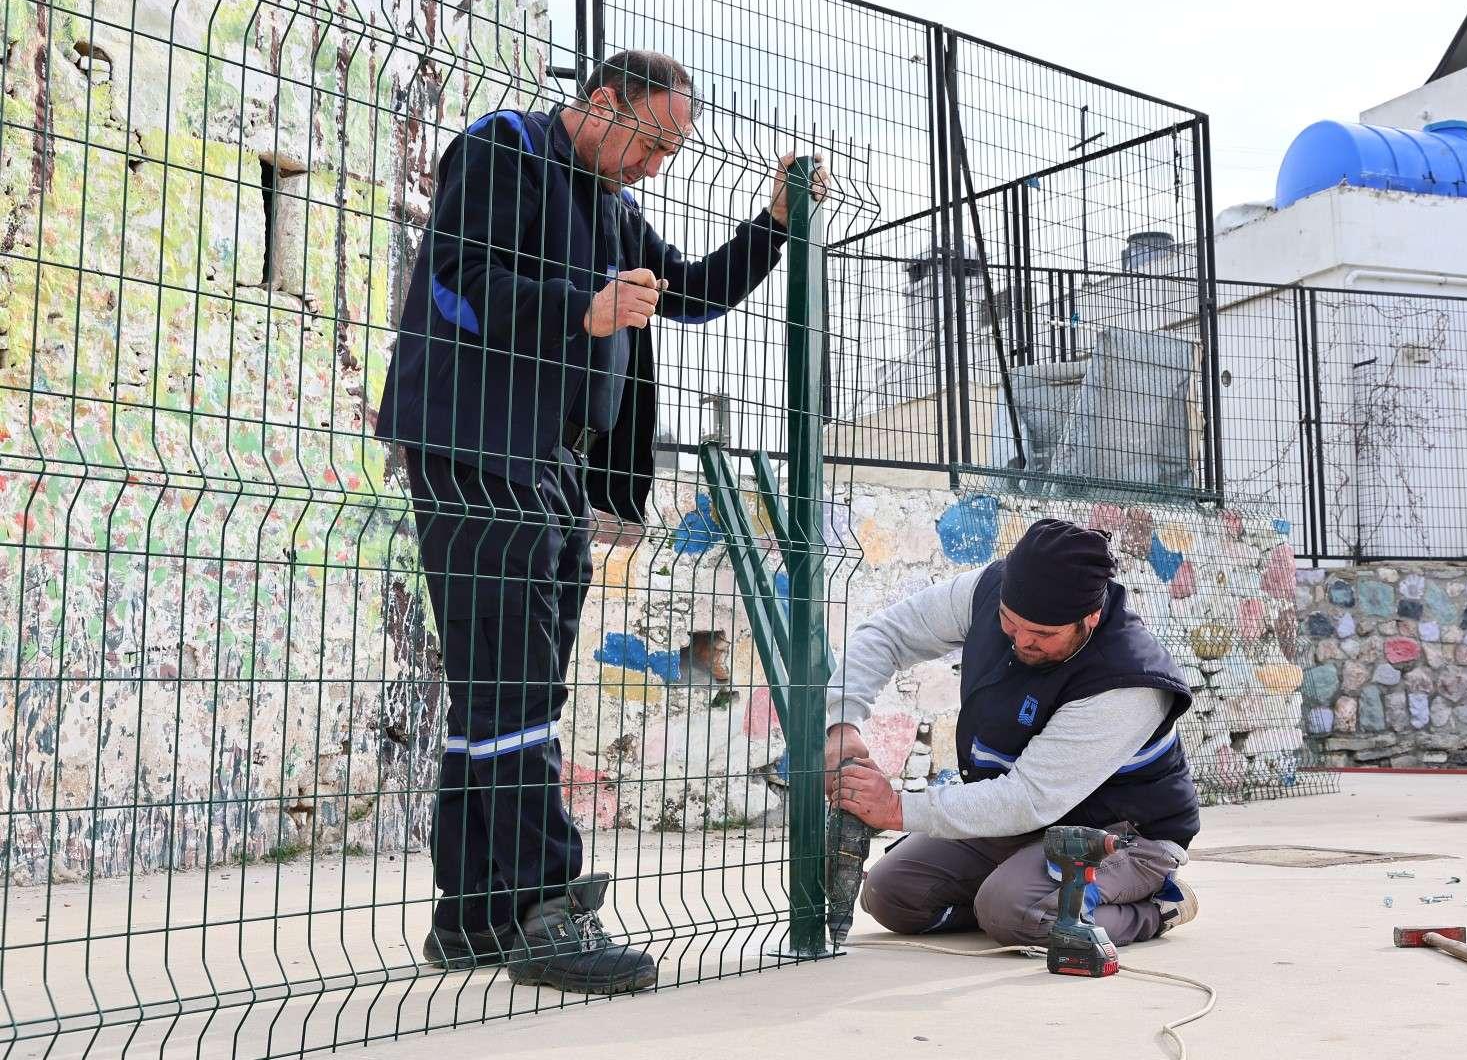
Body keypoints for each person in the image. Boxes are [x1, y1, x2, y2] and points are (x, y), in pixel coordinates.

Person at [375, 49, 827, 995]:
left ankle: (473, 916)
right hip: (475, 446)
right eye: (652, 140)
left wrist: (774, 225)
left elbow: (692, 295)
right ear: (600, 103)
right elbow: (456, 279)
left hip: (553, 467)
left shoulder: (615, 210)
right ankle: (547, 911)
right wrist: (583, 311)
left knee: (508, 690)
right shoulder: (506, 148)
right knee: (511, 686)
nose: (656, 164)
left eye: (672, 149)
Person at [824, 519, 1200, 949]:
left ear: (1090, 618)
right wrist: (841, 724)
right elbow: (886, 634)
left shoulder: (1125, 681)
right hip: (1022, 824)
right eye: (1009, 621)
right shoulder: (988, 589)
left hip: (1120, 832)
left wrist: (893, 808)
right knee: (891, 895)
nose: (1020, 641)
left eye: (1043, 634)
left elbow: (1028, 798)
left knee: (1016, 914)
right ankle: (1013, 895)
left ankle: (1155, 907)